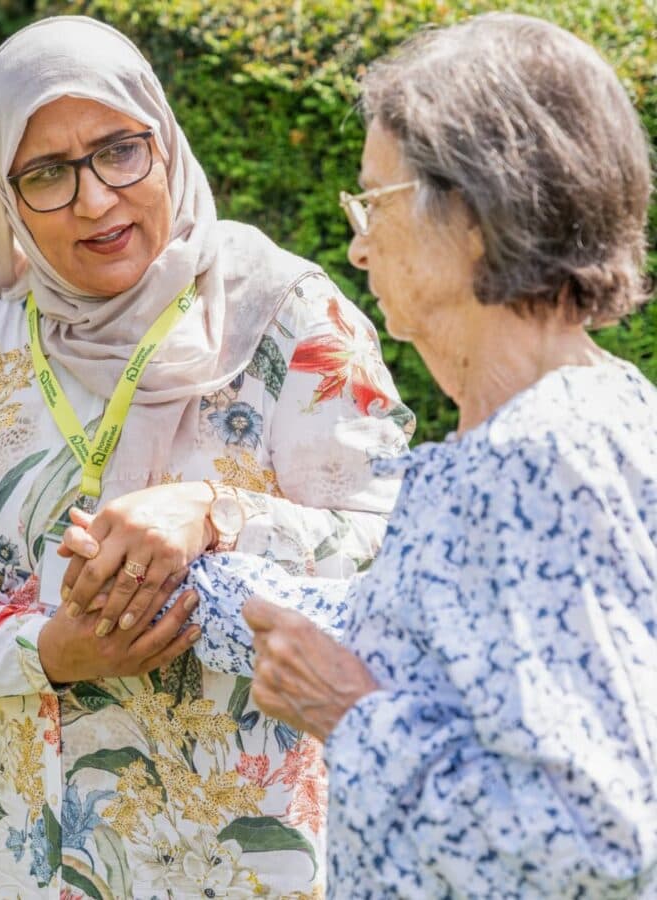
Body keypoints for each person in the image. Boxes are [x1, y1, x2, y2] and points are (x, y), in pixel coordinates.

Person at [0, 15, 412, 898]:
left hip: (261, 858)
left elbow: (395, 548)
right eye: (48, 174)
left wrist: (218, 512)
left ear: (163, 140)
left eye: (119, 151)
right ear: (4, 195)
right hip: (55, 859)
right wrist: (47, 648)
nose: (94, 200)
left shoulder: (289, 315)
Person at [224, 13, 657, 898]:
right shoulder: (556, 423)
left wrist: (348, 717)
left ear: (473, 215)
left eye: (372, 202)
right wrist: (206, 577)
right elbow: (430, 651)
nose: (355, 243)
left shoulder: (539, 459)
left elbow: (598, 841)